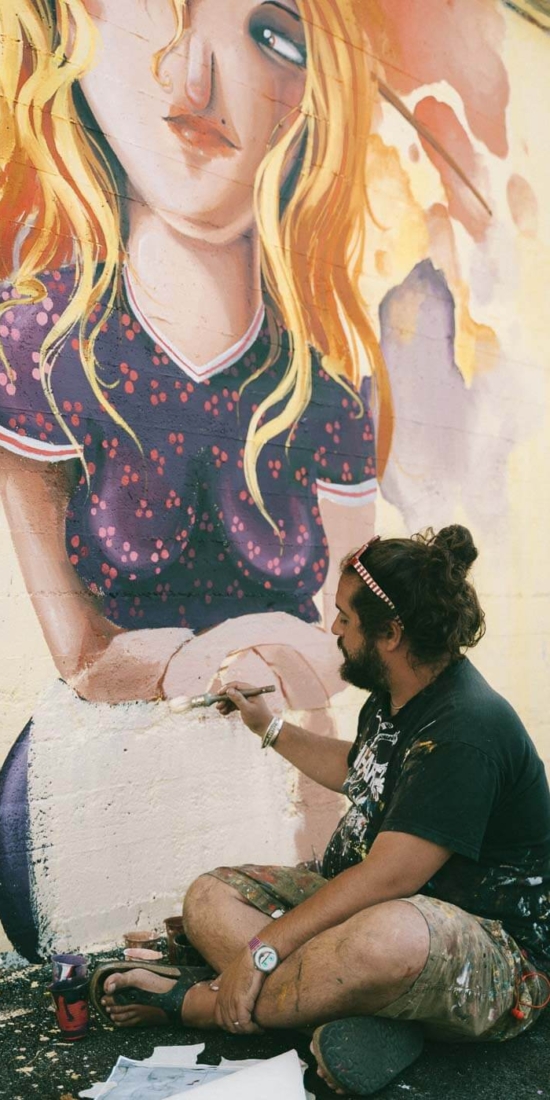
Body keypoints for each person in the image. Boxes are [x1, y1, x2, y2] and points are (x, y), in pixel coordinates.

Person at [0, 0, 384, 959]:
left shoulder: (325, 375)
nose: (192, 80)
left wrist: (280, 660)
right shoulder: (38, 338)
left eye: (271, 36)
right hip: (106, 774)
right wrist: (202, 663)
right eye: (144, 13)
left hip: (283, 766)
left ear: (318, 92)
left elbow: (364, 634)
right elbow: (81, 651)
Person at [92, 526, 550, 1096]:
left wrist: (261, 952)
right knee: (211, 897)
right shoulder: (395, 693)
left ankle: (200, 1002)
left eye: (345, 618)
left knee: (386, 941)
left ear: (390, 633)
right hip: (374, 910)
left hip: (489, 956)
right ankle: (362, 1010)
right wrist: (269, 726)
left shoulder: (465, 730)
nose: (334, 629)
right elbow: (359, 768)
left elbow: (390, 877)